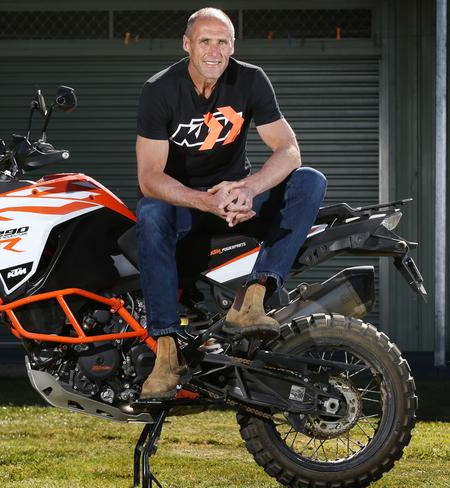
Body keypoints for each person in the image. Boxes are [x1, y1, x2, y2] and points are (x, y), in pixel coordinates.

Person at [136, 8, 327, 399]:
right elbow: (150, 177)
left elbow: (289, 150)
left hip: (238, 201)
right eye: (205, 41)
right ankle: (167, 350)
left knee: (310, 182)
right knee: (150, 210)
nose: (214, 50)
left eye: (223, 42)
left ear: (233, 46)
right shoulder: (160, 90)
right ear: (187, 44)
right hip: (188, 207)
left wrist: (247, 189)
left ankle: (253, 297)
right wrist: (205, 201)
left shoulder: (250, 80)